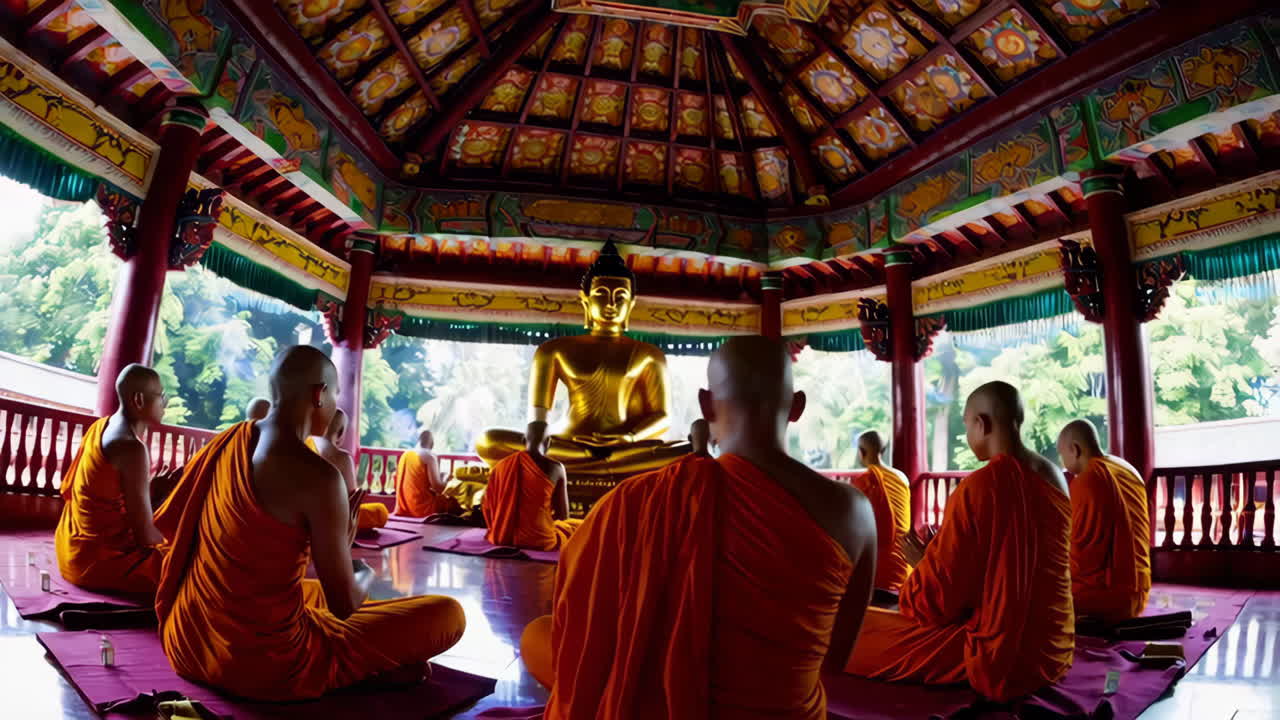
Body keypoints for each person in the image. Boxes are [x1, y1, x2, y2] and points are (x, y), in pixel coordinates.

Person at [519, 336, 877, 718]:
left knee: (540, 635)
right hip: (785, 710)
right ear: (797, 407)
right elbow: (834, 663)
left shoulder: (638, 500)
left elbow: (582, 622)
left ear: (706, 405)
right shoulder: (854, 511)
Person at [153, 346, 465, 701]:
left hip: (186, 642)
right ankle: (361, 667)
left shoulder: (226, 442)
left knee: (310, 592)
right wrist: (358, 567)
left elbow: (170, 528)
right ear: (319, 394)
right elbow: (344, 603)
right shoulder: (320, 476)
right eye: (334, 394)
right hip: (266, 666)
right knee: (448, 614)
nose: (334, 405)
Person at [844, 381, 1074, 702]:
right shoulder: (1055, 476)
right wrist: (943, 552)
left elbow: (938, 604)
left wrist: (923, 563)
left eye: (967, 424)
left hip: (1000, 656)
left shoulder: (979, 487)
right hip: (1053, 646)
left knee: (852, 629)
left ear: (982, 424)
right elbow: (1014, 566)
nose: (967, 434)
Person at [56, 364, 169, 594]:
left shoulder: (103, 425)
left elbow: (111, 496)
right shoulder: (132, 448)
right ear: (138, 400)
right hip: (97, 563)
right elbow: (145, 536)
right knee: (191, 564)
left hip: (70, 549)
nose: (164, 402)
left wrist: (154, 492)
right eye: (160, 395)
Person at [1057, 419, 1151, 622]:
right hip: (1140, 590)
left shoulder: (1087, 480)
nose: (1062, 461)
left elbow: (1083, 560)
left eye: (1061, 454)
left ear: (1074, 450)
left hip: (1112, 597)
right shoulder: (1127, 468)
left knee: (1037, 593)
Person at [483, 422, 581, 551]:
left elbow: (487, 506)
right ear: (549, 442)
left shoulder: (501, 466)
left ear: (523, 440)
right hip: (541, 540)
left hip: (502, 537)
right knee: (580, 526)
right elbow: (563, 515)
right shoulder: (556, 468)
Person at [851, 430, 912, 595]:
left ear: (861, 452)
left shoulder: (863, 481)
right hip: (903, 569)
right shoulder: (902, 478)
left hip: (877, 575)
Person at [308, 410, 387, 531]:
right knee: (380, 511)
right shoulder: (342, 457)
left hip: (305, 514)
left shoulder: (306, 446)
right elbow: (352, 501)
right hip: (332, 519)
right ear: (340, 433)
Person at [392, 429, 458, 517]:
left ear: (419, 441)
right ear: (432, 445)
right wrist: (451, 483)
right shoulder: (429, 456)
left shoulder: (405, 454)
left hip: (403, 507)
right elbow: (437, 487)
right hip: (422, 508)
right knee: (456, 501)